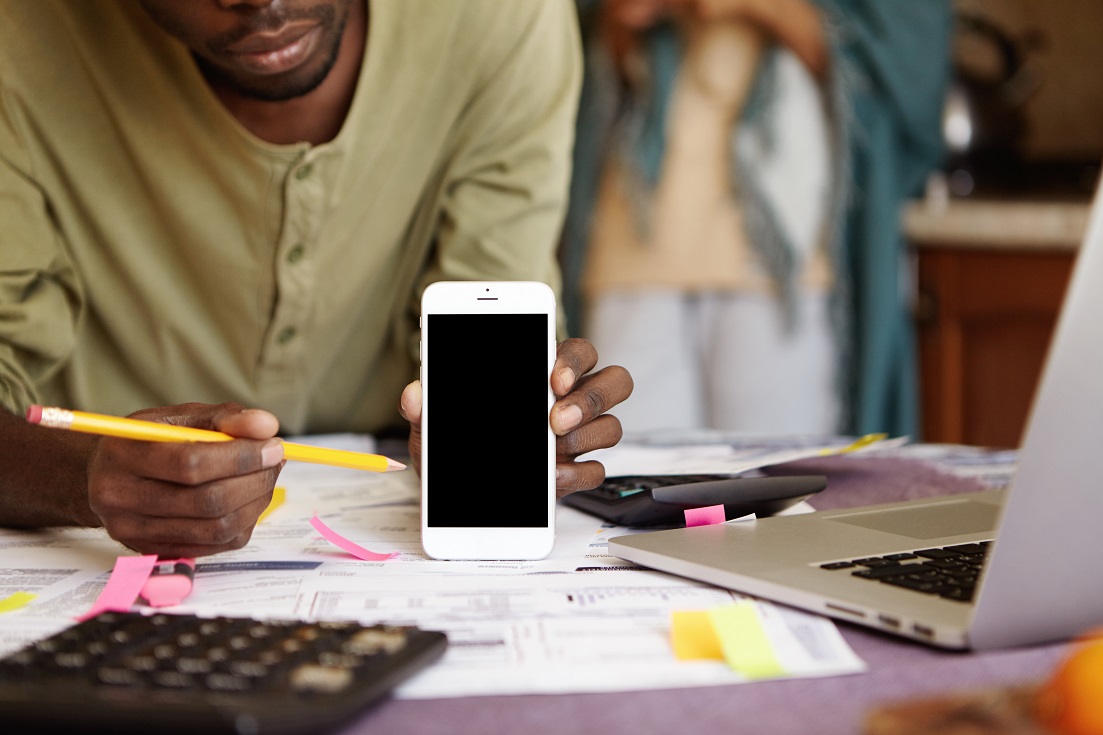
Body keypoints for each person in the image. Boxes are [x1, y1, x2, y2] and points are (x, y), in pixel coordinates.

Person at [0, 0, 632, 558]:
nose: (260, 3)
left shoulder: (503, 16)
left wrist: (499, 416)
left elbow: (488, 297)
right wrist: (83, 473)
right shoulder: (18, 38)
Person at [561, 0, 950, 438]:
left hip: (777, 255)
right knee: (627, 484)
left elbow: (905, 77)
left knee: (768, 486)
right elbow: (578, 59)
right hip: (633, 235)